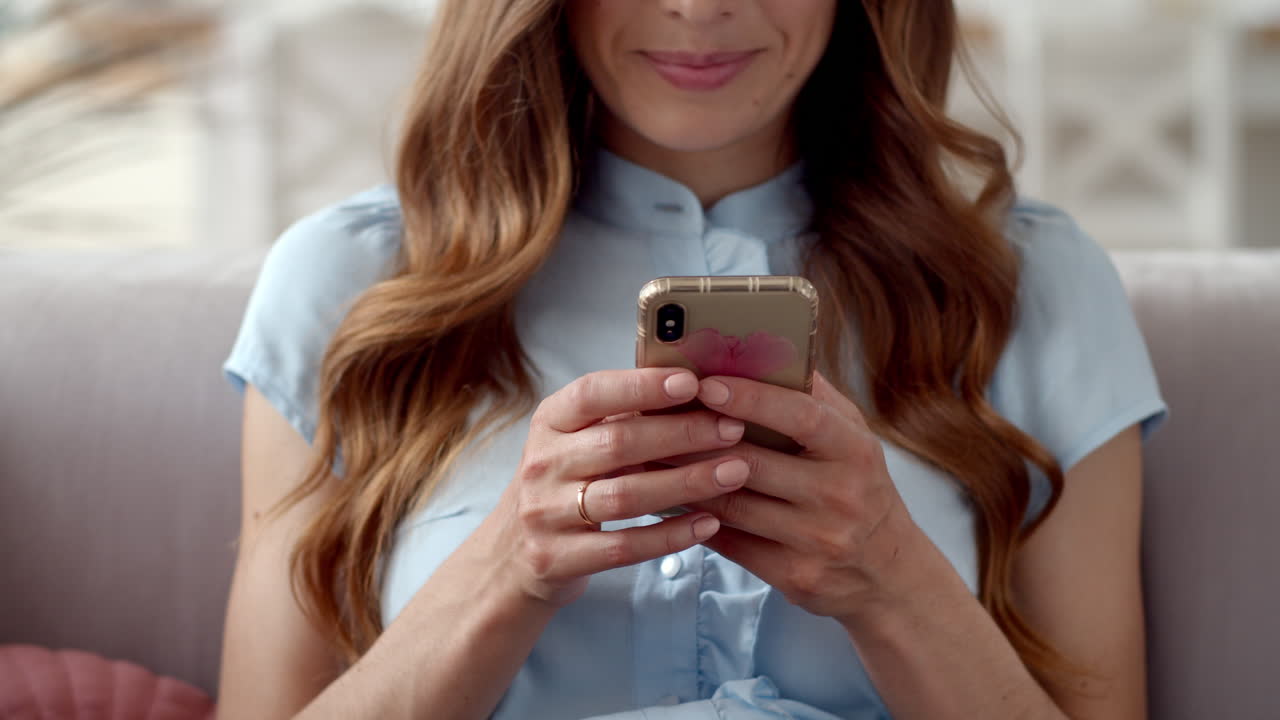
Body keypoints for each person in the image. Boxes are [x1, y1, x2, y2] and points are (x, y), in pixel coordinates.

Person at [216, 1, 1168, 718]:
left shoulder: (1032, 285)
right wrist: (509, 564)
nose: (701, 6)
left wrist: (892, 576)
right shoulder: (354, 284)